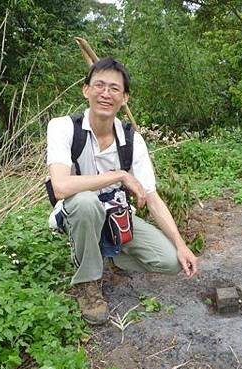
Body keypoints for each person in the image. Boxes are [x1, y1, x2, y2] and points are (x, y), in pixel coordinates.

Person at [46, 57, 198, 325]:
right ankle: (89, 284)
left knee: (171, 261)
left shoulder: (131, 139)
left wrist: (181, 244)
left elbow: (152, 197)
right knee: (84, 202)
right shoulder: (63, 127)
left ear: (124, 97)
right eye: (99, 86)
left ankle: (110, 253)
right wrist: (118, 175)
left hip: (116, 214)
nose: (106, 94)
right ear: (86, 90)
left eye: (114, 89)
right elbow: (60, 187)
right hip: (77, 212)